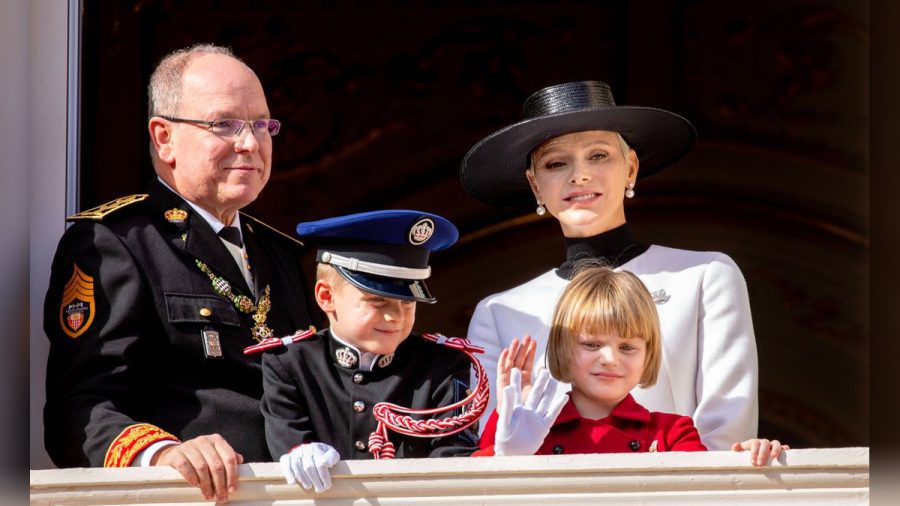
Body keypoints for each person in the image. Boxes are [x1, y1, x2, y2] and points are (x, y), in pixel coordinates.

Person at [43, 44, 316, 503]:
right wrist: (163, 454)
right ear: (164, 137)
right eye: (224, 124)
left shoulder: (281, 253)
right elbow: (81, 410)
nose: (250, 143)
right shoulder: (118, 242)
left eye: (261, 125)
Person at [460, 80, 758, 450]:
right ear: (535, 185)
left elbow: (726, 439)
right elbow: (492, 452)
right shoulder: (498, 312)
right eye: (556, 163)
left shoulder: (706, 277)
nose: (579, 175)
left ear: (630, 167)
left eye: (598, 155)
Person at [259, 210, 483, 494]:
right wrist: (300, 450)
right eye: (377, 300)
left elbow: (454, 458)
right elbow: (288, 441)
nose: (396, 317)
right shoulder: (289, 364)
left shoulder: (443, 365)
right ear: (326, 297)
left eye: (408, 303)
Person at [475, 265, 786, 465]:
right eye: (592, 344)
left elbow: (706, 493)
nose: (610, 359)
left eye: (627, 347)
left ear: (647, 355)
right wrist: (508, 456)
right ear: (562, 350)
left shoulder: (671, 432)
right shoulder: (529, 428)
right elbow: (471, 495)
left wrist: (749, 458)